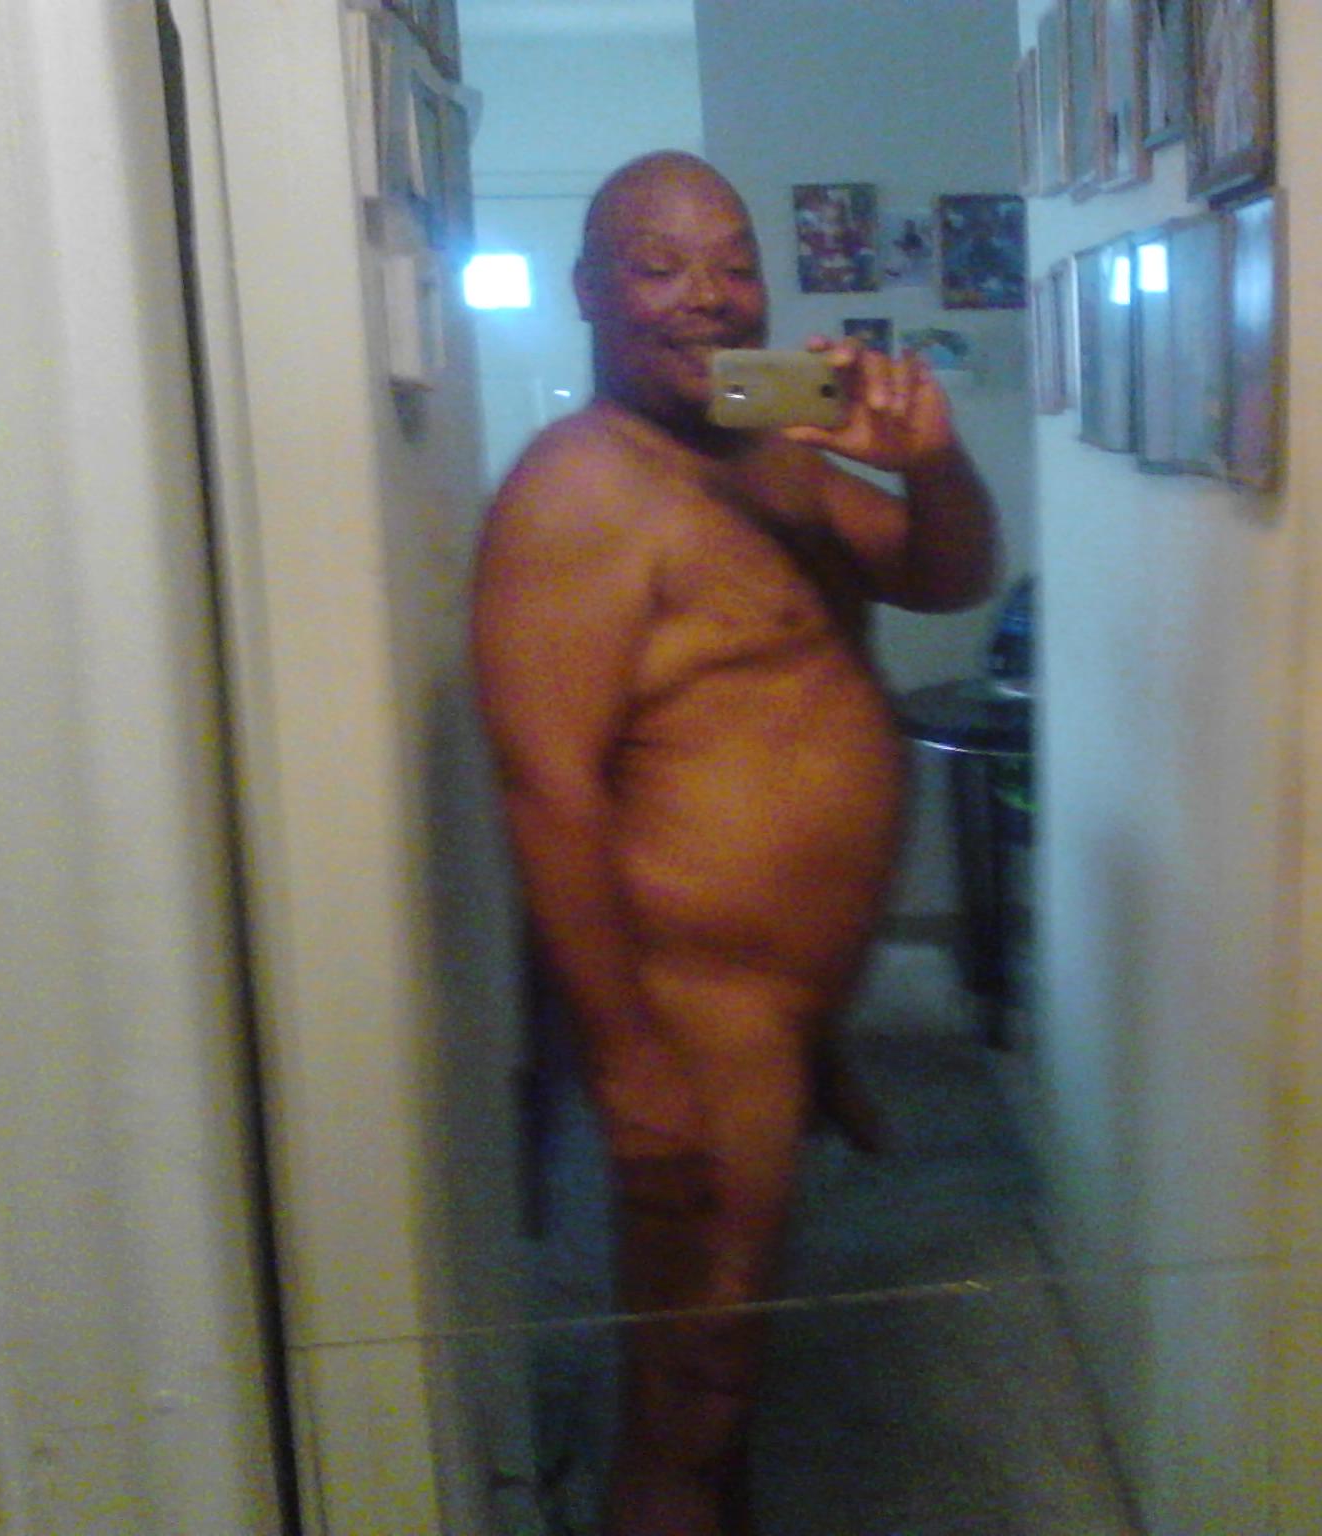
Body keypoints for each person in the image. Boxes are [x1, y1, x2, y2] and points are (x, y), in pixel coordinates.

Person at [469, 151, 997, 1535]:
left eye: (734, 263)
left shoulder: (772, 442)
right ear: (589, 293)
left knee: (728, 1374)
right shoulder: (578, 492)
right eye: (658, 267)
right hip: (695, 1024)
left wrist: (932, 464)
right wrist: (631, 1068)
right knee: (687, 1403)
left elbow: (947, 574)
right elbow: (547, 793)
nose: (707, 297)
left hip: (776, 1013)